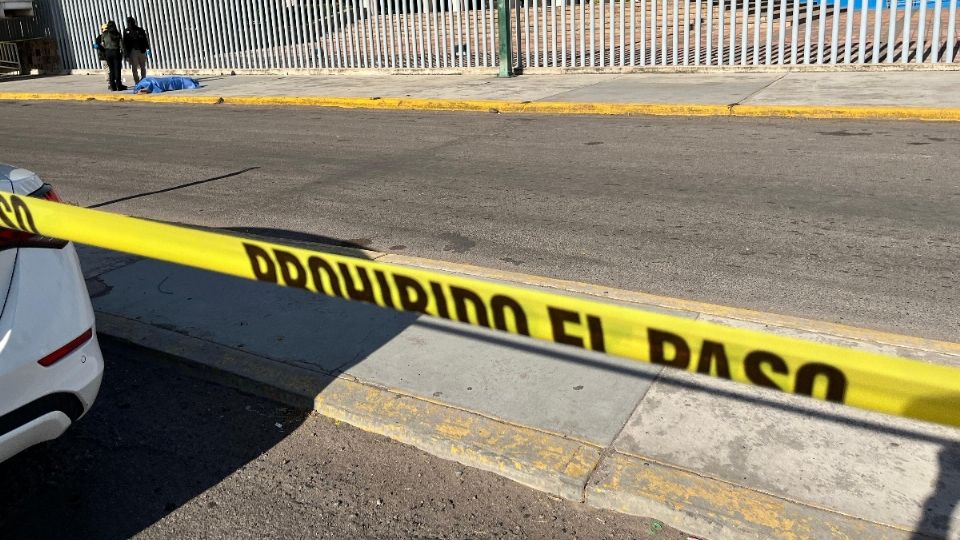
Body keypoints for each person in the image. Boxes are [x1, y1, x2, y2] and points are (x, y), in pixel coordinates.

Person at [122, 17, 150, 85]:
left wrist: (148, 48)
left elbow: (145, 39)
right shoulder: (126, 31)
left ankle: (143, 79)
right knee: (134, 68)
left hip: (141, 50)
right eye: (129, 22)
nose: (131, 23)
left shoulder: (140, 30)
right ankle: (137, 82)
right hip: (132, 51)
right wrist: (126, 54)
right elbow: (124, 43)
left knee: (142, 66)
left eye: (132, 22)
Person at [100, 21, 126, 91]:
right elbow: (121, 45)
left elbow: (102, 44)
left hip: (108, 53)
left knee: (111, 70)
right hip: (116, 52)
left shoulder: (104, 34)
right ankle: (119, 86)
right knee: (117, 69)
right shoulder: (117, 33)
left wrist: (107, 48)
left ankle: (113, 86)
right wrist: (123, 53)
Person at [93, 23, 109, 88]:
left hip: (102, 57)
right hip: (109, 55)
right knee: (111, 69)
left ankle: (109, 82)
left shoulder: (98, 38)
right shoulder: (110, 36)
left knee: (106, 69)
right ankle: (113, 82)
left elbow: (96, 46)